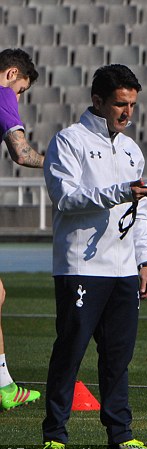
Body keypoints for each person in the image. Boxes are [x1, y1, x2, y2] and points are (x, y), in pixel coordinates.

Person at [42, 64, 147, 449]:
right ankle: (55, 435)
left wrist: (145, 260)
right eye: (119, 104)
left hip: (124, 269)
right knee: (70, 351)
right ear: (97, 101)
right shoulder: (68, 141)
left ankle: (121, 435)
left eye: (132, 105)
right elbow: (66, 199)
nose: (127, 113)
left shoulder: (131, 149)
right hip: (80, 267)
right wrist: (119, 192)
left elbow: (138, 210)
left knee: (118, 357)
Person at [0, 48, 44, 412]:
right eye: (22, 90)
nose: (18, 98)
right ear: (12, 74)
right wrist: (61, 161)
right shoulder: (2, 94)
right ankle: (3, 387)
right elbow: (22, 153)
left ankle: (4, 385)